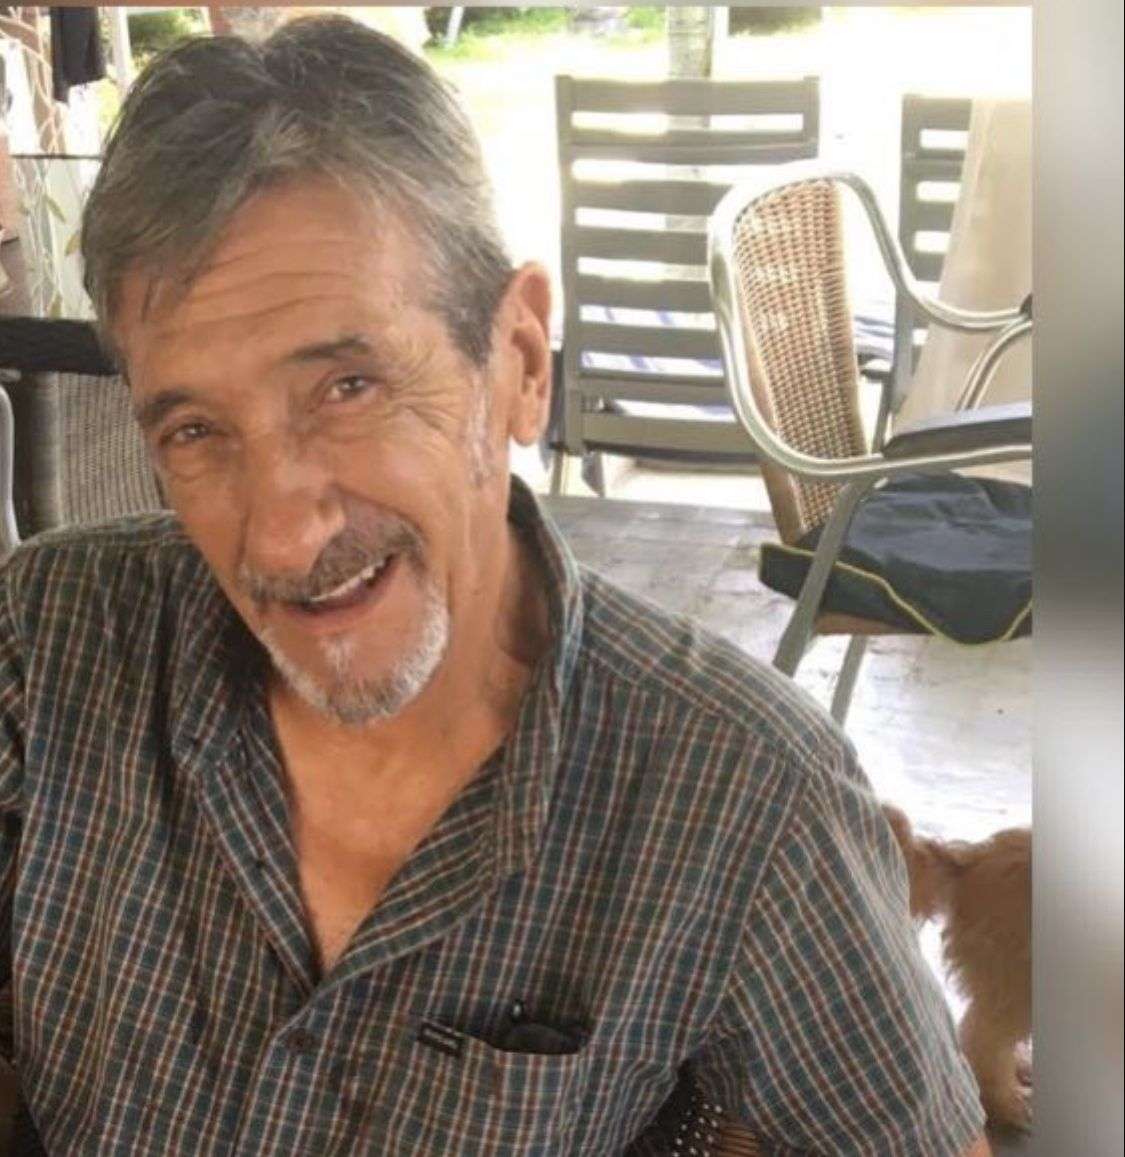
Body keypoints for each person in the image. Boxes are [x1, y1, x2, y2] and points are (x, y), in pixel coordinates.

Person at [0, 17, 991, 1155]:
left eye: (347, 386)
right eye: (194, 430)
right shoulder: (50, 644)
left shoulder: (742, 793)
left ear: (518, 361)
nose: (278, 532)